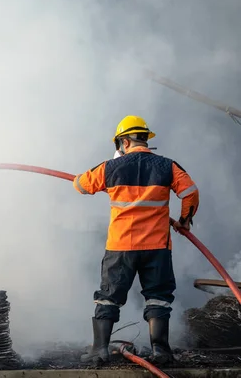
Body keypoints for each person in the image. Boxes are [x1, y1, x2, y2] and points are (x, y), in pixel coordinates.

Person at [73, 116, 199, 365]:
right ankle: (161, 352)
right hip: (157, 248)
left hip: (121, 247)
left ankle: (99, 351)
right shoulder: (168, 166)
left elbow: (80, 185)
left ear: (123, 141)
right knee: (158, 297)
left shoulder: (110, 167)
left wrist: (114, 167)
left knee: (109, 297)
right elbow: (190, 192)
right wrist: (184, 220)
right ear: (145, 138)